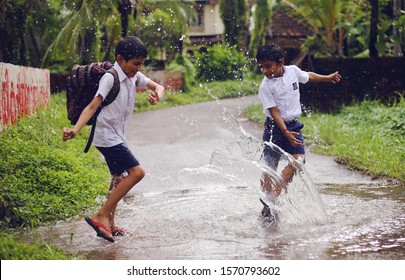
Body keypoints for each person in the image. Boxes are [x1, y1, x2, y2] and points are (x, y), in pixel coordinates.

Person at [62, 36, 165, 242]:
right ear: (120, 59)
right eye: (135, 64)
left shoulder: (134, 76)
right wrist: (75, 130)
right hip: (106, 136)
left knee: (118, 177)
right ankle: (101, 215)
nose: (138, 68)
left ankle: (110, 222)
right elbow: (93, 105)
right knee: (137, 173)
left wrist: (157, 95)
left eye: (141, 64)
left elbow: (158, 87)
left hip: (117, 136)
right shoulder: (110, 78)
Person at [256, 43, 341, 221]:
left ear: (281, 63)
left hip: (293, 126)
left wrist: (327, 78)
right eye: (261, 66)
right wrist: (285, 132)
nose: (264, 70)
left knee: (299, 160)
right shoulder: (265, 87)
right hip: (275, 128)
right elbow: (274, 111)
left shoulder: (293, 71)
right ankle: (266, 205)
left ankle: (275, 193)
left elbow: (307, 76)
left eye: (268, 66)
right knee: (269, 167)